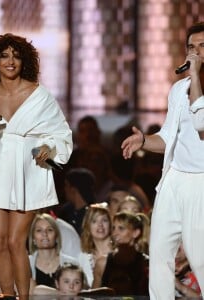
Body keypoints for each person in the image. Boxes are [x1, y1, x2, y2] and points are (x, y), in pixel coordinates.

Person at [0, 33, 73, 299]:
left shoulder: (39, 94)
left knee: (15, 241)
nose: (11, 61)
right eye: (4, 55)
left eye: (16, 55)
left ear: (25, 61)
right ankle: (6, 295)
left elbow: (61, 133)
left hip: (29, 172)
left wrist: (49, 149)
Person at [121, 21, 204, 298]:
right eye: (191, 47)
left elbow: (201, 121)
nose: (195, 53)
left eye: (202, 47)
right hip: (172, 179)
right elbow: (168, 136)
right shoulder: (178, 89)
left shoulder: (192, 89)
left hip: (200, 183)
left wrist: (196, 80)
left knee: (200, 259)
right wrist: (144, 140)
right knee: (159, 257)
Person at [92, 212, 149, 296]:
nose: (115, 233)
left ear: (135, 233)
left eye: (121, 228)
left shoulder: (146, 263)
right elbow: (94, 296)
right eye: (113, 228)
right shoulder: (102, 263)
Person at [28, 213, 77, 293]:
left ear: (57, 236)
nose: (44, 234)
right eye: (39, 230)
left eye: (49, 230)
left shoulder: (72, 263)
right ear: (33, 238)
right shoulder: (26, 263)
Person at [78, 203, 113, 287]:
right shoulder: (83, 257)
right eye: (94, 221)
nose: (100, 225)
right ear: (88, 226)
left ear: (110, 224)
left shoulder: (119, 251)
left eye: (104, 220)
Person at [58, 168, 96, 235]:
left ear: (73, 189)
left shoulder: (93, 214)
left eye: (66, 185)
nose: (65, 189)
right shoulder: (65, 211)